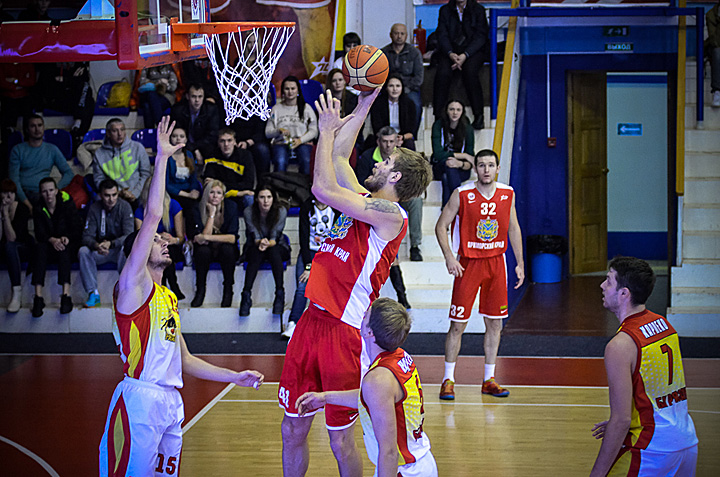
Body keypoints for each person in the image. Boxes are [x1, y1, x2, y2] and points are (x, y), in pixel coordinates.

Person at [279, 89, 432, 477]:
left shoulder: (391, 216)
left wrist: (325, 130)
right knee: (291, 429)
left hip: (343, 332)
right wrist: (365, 102)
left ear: (394, 176)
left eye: (386, 161)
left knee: (340, 441)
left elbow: (322, 189)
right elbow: (336, 159)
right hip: (310, 322)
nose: (377, 161)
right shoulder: (364, 199)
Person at [99, 116, 263, 476]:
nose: (164, 241)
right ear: (137, 254)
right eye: (156, 240)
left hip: (171, 402)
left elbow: (184, 360)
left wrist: (233, 377)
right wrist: (161, 158)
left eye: (162, 238)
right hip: (140, 401)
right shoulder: (132, 287)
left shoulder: (167, 298)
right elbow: (154, 214)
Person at [296, 298, 437, 477]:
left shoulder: (378, 380)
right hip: (417, 462)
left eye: (366, 316)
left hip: (404, 470)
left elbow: (389, 452)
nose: (362, 316)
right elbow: (372, 399)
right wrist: (325, 398)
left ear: (370, 332)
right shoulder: (400, 357)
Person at [590, 256, 698, 476]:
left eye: (609, 280)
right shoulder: (664, 324)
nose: (602, 285)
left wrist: (597, 473)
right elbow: (654, 389)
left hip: (652, 450)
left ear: (624, 294)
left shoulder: (620, 345)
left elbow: (621, 420)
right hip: (686, 442)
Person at [435, 149, 524, 400]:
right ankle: (448, 380)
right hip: (468, 264)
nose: (486, 169)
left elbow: (513, 227)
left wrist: (520, 263)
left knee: (495, 323)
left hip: (496, 264)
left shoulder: (508, 193)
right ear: (475, 168)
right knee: (457, 324)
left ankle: (489, 379)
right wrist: (449, 257)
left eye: (490, 165)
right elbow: (441, 225)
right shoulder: (462, 194)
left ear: (498, 168)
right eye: (482, 165)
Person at [357, 126, 424, 264]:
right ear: (378, 141)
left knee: (416, 201)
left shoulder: (401, 159)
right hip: (374, 196)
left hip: (393, 197)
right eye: (385, 141)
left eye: (391, 141)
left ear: (397, 141)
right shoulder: (367, 156)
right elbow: (360, 182)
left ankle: (415, 245)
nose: (388, 145)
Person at [284, 194, 338, 339]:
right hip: (309, 253)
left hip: (328, 254)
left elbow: (337, 238)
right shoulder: (307, 207)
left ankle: (326, 326)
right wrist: (309, 266)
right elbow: (303, 237)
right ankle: (293, 323)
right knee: (302, 287)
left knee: (327, 289)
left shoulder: (336, 209)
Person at [433, 0, 490, 129]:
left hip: (472, 51)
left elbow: (481, 36)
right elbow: (442, 35)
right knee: (442, 73)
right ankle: (438, 116)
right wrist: (450, 53)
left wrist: (465, 55)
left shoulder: (478, 10)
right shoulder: (445, 10)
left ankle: (479, 115)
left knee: (470, 72)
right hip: (450, 51)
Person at [78, 179, 135, 308]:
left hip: (118, 251)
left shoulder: (125, 207)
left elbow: (129, 236)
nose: (111, 199)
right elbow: (86, 236)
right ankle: (93, 294)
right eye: (107, 195)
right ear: (100, 195)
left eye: (114, 195)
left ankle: (126, 291)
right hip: (101, 250)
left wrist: (111, 243)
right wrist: (96, 245)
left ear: (118, 194)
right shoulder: (94, 208)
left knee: (126, 249)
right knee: (83, 251)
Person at [31, 177, 82, 317]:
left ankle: (66, 295)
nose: (48, 194)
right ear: (41, 193)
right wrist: (51, 239)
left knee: (64, 250)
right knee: (39, 249)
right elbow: (39, 233)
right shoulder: (38, 207)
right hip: (48, 244)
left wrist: (66, 237)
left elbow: (76, 227)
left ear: (56, 190)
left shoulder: (66, 203)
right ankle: (38, 297)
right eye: (45, 191)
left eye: (51, 190)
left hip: (66, 243)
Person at [239, 185, 289, 317]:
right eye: (262, 197)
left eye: (269, 197)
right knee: (256, 253)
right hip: (256, 246)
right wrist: (260, 242)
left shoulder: (281, 211)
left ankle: (279, 294)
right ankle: (246, 295)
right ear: (256, 199)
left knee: (273, 252)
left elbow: (275, 236)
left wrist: (267, 243)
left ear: (273, 198)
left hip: (277, 245)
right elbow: (254, 234)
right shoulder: (249, 211)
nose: (266, 201)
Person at [189, 180, 240, 308]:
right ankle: (200, 290)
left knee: (228, 250)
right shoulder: (197, 208)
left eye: (219, 193)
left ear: (223, 196)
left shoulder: (231, 207)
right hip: (207, 250)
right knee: (202, 251)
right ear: (206, 194)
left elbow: (232, 238)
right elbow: (200, 240)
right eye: (212, 192)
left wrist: (207, 237)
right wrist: (211, 215)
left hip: (224, 250)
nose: (215, 196)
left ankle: (228, 289)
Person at [135, 178, 186, 301]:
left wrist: (172, 240)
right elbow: (140, 238)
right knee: (158, 253)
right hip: (151, 248)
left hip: (172, 247)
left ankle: (167, 286)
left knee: (167, 252)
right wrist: (156, 238)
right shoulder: (140, 210)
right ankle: (167, 288)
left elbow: (181, 238)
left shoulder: (173, 205)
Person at [9, 114, 73, 211]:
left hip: (43, 194)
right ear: (27, 130)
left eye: (39, 125)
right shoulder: (17, 150)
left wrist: (54, 189)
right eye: (33, 126)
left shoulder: (52, 149)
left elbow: (68, 173)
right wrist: (27, 203)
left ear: (43, 127)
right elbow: (14, 180)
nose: (37, 129)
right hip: (22, 195)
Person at [92, 118, 151, 211]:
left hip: (137, 193)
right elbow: (99, 180)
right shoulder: (99, 154)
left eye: (122, 130)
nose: (120, 134)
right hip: (113, 194)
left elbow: (146, 174)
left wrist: (134, 193)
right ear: (108, 133)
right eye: (115, 131)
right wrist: (116, 193)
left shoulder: (138, 148)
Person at [265, 76, 318, 175]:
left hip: (302, 142)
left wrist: (300, 140)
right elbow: (267, 133)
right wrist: (278, 131)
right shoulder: (276, 109)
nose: (290, 92)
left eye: (293, 88)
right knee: (280, 161)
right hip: (281, 143)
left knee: (306, 160)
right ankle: (279, 184)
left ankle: (304, 184)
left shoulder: (306, 108)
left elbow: (314, 131)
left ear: (297, 90)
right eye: (287, 89)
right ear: (283, 91)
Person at [36, 62, 95, 148]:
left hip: (73, 100)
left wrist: (64, 80)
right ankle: (79, 131)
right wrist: (71, 80)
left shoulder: (79, 65)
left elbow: (83, 81)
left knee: (87, 92)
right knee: (87, 100)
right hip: (55, 100)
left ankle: (77, 128)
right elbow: (47, 84)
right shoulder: (49, 64)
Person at [431, 99, 475, 207]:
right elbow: (438, 154)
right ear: (446, 111)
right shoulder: (438, 125)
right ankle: (460, 204)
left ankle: (446, 210)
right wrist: (463, 156)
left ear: (462, 112)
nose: (455, 113)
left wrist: (460, 164)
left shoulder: (468, 128)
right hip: (440, 166)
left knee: (447, 176)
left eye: (458, 110)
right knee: (449, 165)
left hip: (461, 169)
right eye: (451, 109)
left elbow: (471, 161)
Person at [382, 23, 424, 132]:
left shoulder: (415, 53)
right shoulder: (383, 53)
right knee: (376, 103)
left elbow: (419, 78)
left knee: (416, 104)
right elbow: (379, 76)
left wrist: (404, 89)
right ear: (391, 35)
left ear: (406, 36)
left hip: (409, 89)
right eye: (396, 33)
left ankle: (411, 135)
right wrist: (388, 88)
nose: (399, 36)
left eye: (402, 33)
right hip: (388, 89)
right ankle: (384, 135)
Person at [203, 128, 256, 212]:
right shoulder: (212, 155)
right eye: (222, 141)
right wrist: (237, 192)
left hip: (239, 195)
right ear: (218, 143)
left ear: (235, 142)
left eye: (229, 140)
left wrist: (222, 184)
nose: (226, 144)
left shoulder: (245, 156)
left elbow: (248, 184)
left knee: (249, 198)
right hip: (222, 195)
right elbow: (210, 185)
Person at [0, 179, 33, 313]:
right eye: (5, 192)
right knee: (7, 247)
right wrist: (1, 213)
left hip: (23, 246)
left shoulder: (22, 209)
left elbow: (12, 238)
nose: (9, 196)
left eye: (12, 193)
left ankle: (16, 292)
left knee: (10, 246)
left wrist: (6, 216)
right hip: (5, 248)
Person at [170, 83, 221, 165]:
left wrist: (195, 147)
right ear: (187, 96)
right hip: (184, 145)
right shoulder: (178, 110)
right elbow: (177, 133)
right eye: (193, 96)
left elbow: (212, 135)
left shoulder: (211, 109)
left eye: (200, 96)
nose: (197, 100)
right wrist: (193, 149)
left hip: (204, 146)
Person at [370, 74, 417, 151]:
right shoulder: (378, 104)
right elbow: (377, 129)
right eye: (391, 86)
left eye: (398, 86)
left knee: (409, 144)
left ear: (402, 88)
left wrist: (401, 138)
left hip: (402, 138)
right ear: (386, 88)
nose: (395, 89)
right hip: (384, 137)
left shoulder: (409, 104)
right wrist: (390, 140)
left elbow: (411, 132)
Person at [165, 126, 202, 224]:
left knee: (194, 205)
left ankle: (197, 232)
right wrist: (188, 195)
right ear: (170, 139)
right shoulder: (166, 157)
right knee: (183, 205)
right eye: (174, 136)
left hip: (188, 191)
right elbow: (166, 185)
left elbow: (193, 179)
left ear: (185, 140)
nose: (178, 139)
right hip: (173, 193)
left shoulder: (189, 154)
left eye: (181, 136)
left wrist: (194, 191)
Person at [707, 0, 720, 107]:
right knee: (717, 53)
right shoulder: (711, 15)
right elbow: (713, 38)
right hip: (717, 45)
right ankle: (717, 91)